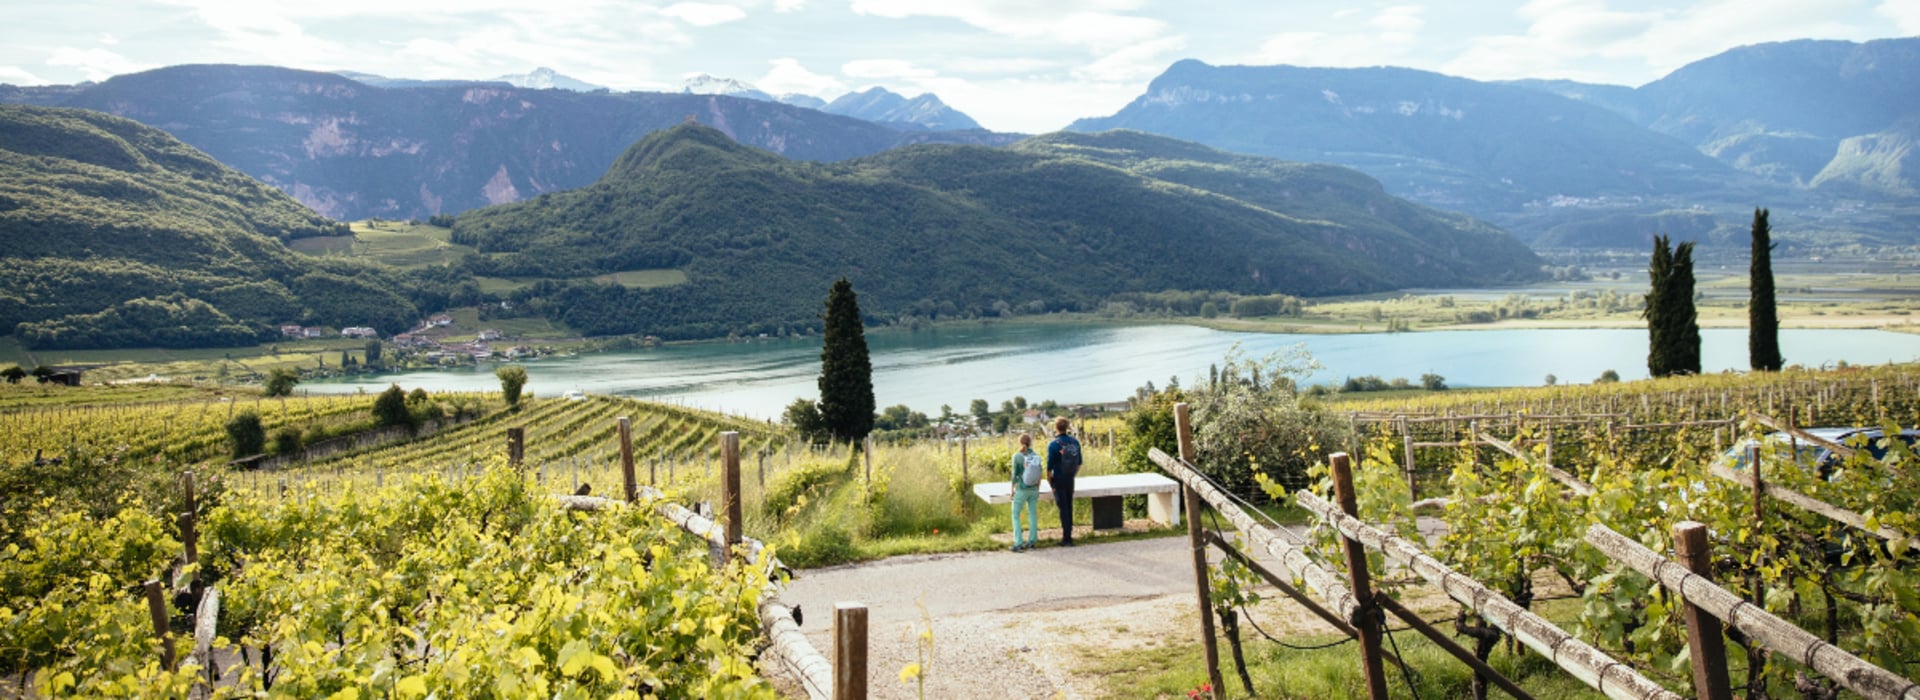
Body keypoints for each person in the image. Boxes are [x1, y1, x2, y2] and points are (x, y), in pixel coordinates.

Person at [1046, 416, 1083, 547]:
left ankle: (1066, 538)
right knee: (1069, 506)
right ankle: (1069, 535)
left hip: (1059, 479)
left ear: (1056, 428)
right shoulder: (1075, 442)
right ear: (1067, 427)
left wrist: (1051, 483)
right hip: (1070, 479)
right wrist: (1072, 475)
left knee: (1063, 508)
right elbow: (1079, 463)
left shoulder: (1053, 445)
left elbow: (1049, 468)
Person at [1009, 433, 1042, 551]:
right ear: (1030, 443)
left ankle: (1018, 543)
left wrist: (1012, 490)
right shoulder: (1036, 456)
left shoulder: (1017, 456)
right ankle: (1032, 541)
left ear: (1020, 443)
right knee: (1032, 514)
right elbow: (1039, 475)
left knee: (1015, 515)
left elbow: (1014, 475)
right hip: (1033, 489)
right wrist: (1037, 489)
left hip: (1021, 489)